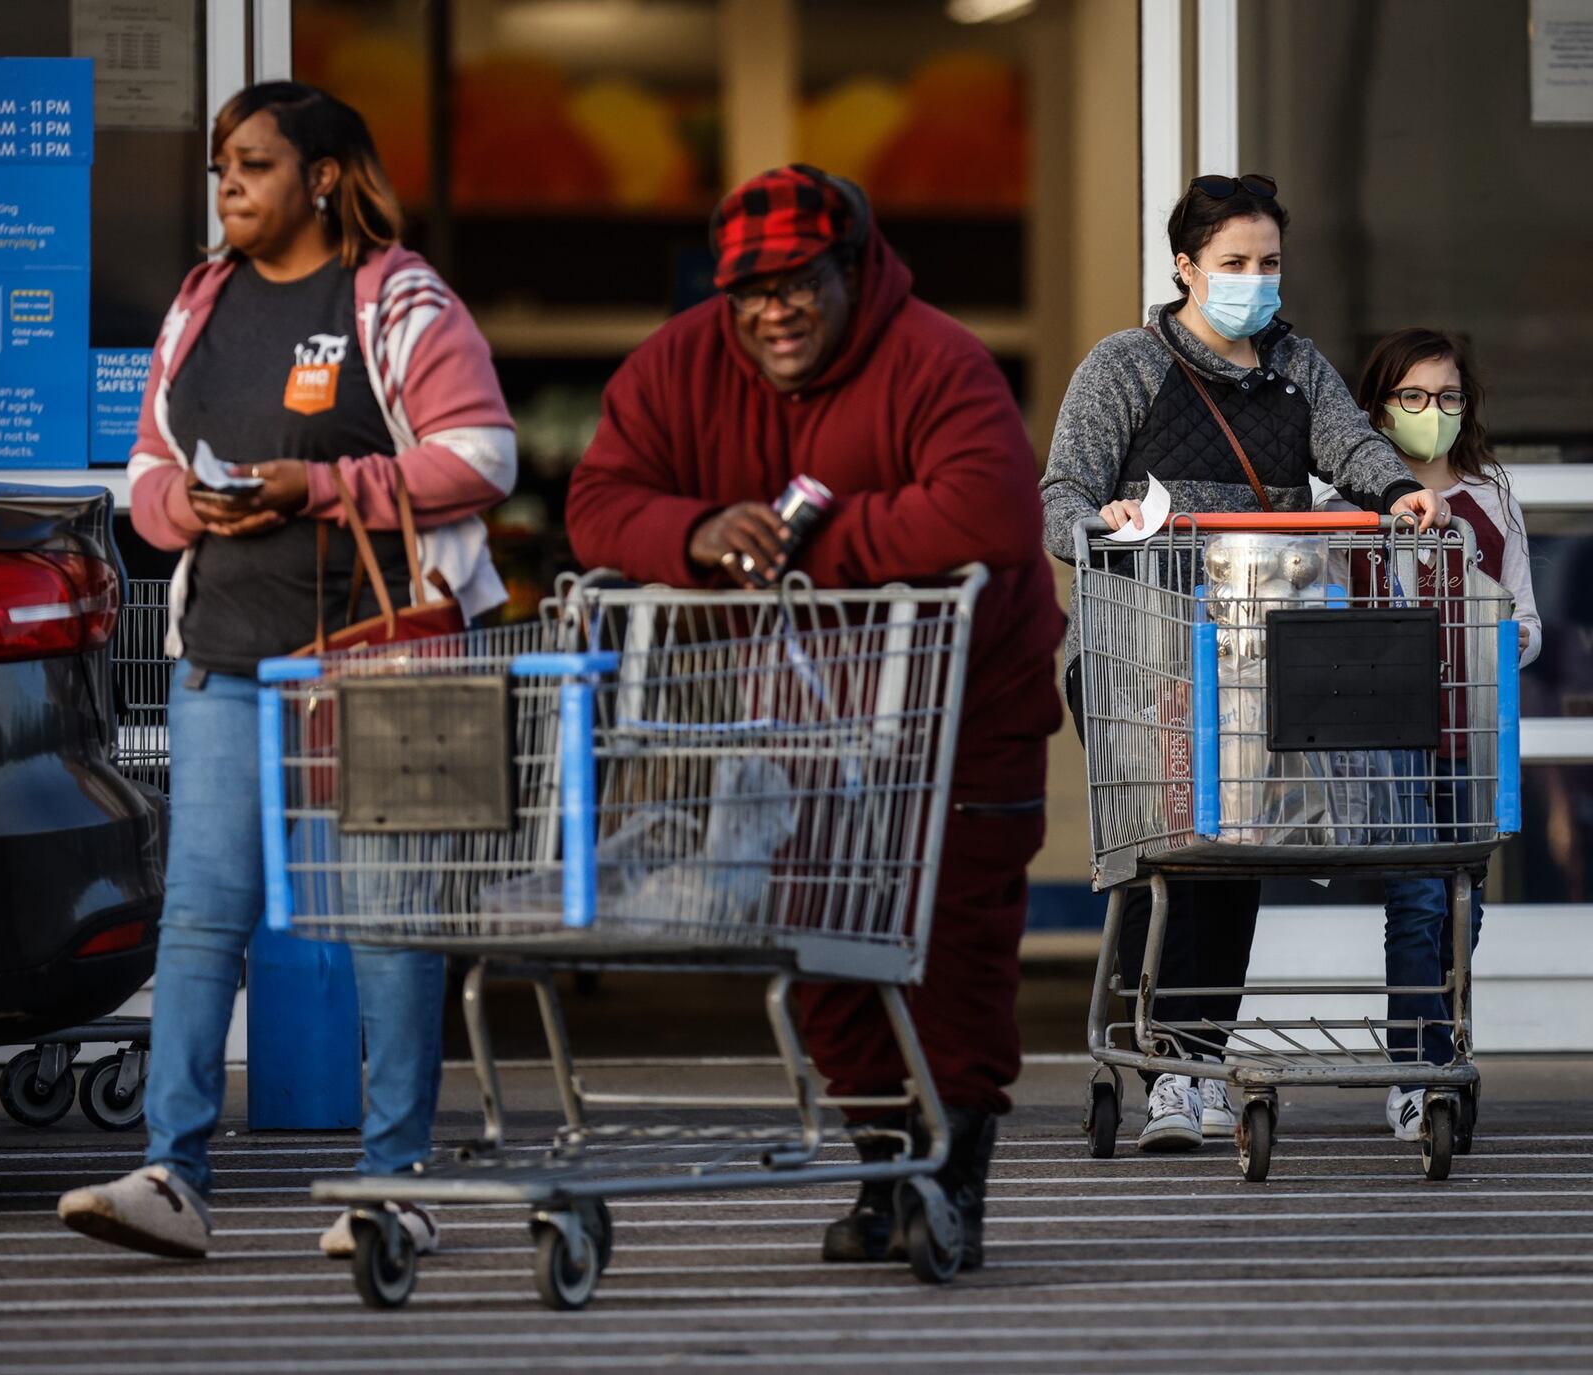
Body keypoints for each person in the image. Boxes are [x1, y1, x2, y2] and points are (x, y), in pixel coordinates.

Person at [564, 163, 1064, 1268]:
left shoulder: (936, 360)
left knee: (954, 945)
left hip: (969, 703)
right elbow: (597, 503)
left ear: (854, 269)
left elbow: (989, 509)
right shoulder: (680, 365)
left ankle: (949, 1176)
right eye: (750, 289)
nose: (773, 311)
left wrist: (804, 556)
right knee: (821, 932)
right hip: (800, 709)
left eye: (798, 283)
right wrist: (698, 534)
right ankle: (880, 1165)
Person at [57, 82, 516, 1259]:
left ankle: (393, 1181)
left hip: (387, 656)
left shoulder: (395, 294)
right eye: (220, 169)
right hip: (225, 657)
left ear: (321, 176)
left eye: (253, 166)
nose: (229, 189)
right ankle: (173, 1171)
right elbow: (148, 466)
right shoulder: (202, 300)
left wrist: (313, 486)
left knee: (389, 919)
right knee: (204, 917)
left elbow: (483, 454)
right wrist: (186, 502)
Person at [1039, 172, 1449, 1152]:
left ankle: (1191, 1059)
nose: (1253, 281)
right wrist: (1097, 524)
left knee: (1228, 853)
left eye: (1267, 264)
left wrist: (1397, 491)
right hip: (1138, 653)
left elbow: (1349, 445)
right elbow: (1059, 496)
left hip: (1251, 653)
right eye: (1232, 264)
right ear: (1184, 267)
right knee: (1169, 845)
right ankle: (1171, 1065)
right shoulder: (1123, 367)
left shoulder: (1294, 365)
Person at [1326, 328, 1539, 1140]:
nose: (1432, 412)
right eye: (1412, 397)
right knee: (1416, 897)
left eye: (1448, 397)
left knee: (1463, 903)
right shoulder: (1341, 503)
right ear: (1379, 409)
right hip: (1386, 732)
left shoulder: (1490, 497)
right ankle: (1418, 1073)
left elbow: (1525, 615)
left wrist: (1516, 637)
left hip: (1469, 730)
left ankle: (1439, 1048)